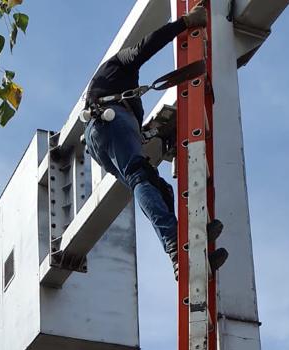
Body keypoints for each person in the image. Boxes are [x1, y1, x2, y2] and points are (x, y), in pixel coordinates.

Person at [83, 3, 227, 279]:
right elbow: (146, 47)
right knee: (139, 177)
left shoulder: (114, 86)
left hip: (100, 137)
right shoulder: (119, 64)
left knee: (159, 188)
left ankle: (188, 236)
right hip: (108, 118)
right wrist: (185, 23)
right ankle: (176, 245)